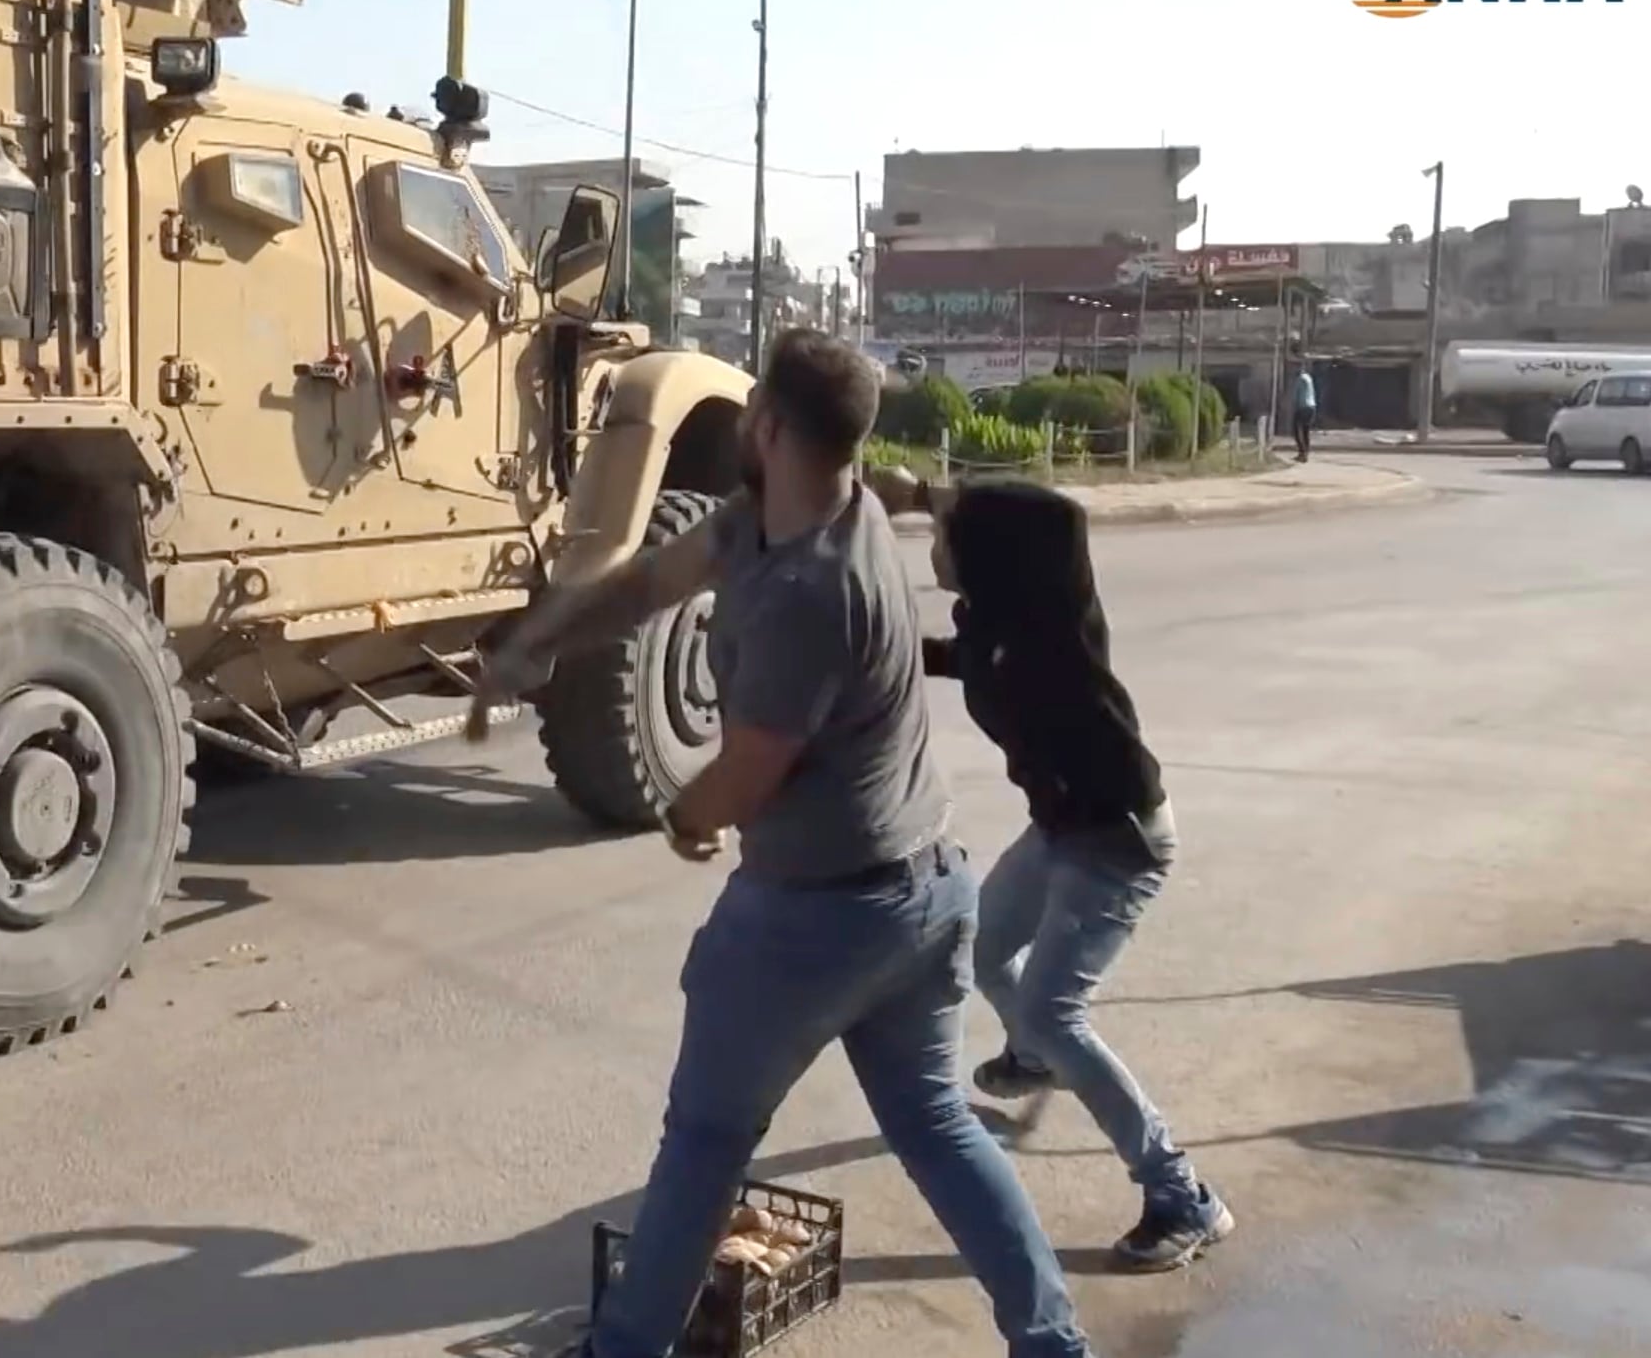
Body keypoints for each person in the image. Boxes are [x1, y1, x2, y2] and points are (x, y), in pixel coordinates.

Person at [479, 330, 1092, 1358]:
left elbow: (746, 773)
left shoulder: (813, 587)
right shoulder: (789, 518)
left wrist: (685, 816)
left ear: (766, 422)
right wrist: (537, 641)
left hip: (820, 916)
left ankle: (622, 1348)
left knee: (706, 1139)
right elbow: (641, 587)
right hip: (925, 894)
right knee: (938, 1125)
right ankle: (1052, 1342)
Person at [919, 479, 1236, 1273]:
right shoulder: (994, 630)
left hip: (1120, 838)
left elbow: (1062, 515)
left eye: (944, 534)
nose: (932, 544)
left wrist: (933, 490)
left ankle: (1182, 1195)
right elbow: (961, 659)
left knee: (1057, 1011)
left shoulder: (1054, 621)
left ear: (985, 553)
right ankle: (1032, 1054)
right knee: (984, 948)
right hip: (1061, 829)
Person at [1290, 364, 1319, 463]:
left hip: (1302, 407)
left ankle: (1302, 453)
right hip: (1312, 406)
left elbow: (1296, 395)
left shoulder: (1300, 379)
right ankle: (1305, 453)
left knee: (1296, 431)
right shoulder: (1308, 378)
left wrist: (1292, 407)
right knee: (1306, 431)